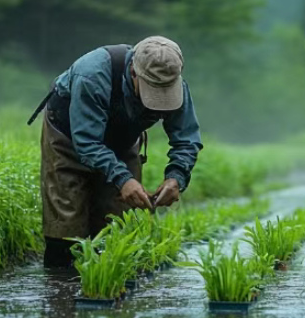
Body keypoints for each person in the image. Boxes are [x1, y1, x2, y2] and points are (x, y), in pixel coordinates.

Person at [29, 36, 203, 267]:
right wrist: (123, 179)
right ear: (134, 73)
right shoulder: (91, 75)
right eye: (153, 91)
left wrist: (176, 177)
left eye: (165, 92)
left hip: (122, 141)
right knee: (66, 230)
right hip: (69, 138)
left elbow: (187, 139)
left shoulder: (175, 83)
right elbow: (88, 143)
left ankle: (107, 281)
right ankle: (60, 284)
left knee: (117, 228)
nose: (160, 100)